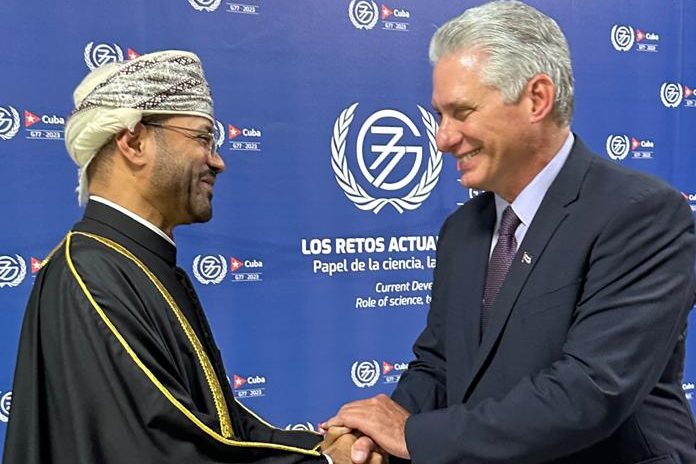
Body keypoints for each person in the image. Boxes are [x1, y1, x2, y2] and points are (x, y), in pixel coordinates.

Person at [322, 1, 696, 463]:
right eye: (440, 115)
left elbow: (590, 391)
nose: (442, 138)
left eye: (462, 112)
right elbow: (438, 365)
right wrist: (372, 434)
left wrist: (414, 435)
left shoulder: (641, 214)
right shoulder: (461, 229)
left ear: (537, 99)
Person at [3, 50, 383, 464]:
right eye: (202, 138)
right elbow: (159, 447)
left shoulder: (132, 262)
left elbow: (219, 426)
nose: (218, 161)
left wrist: (321, 449)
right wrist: (328, 461)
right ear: (133, 141)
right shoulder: (92, 274)